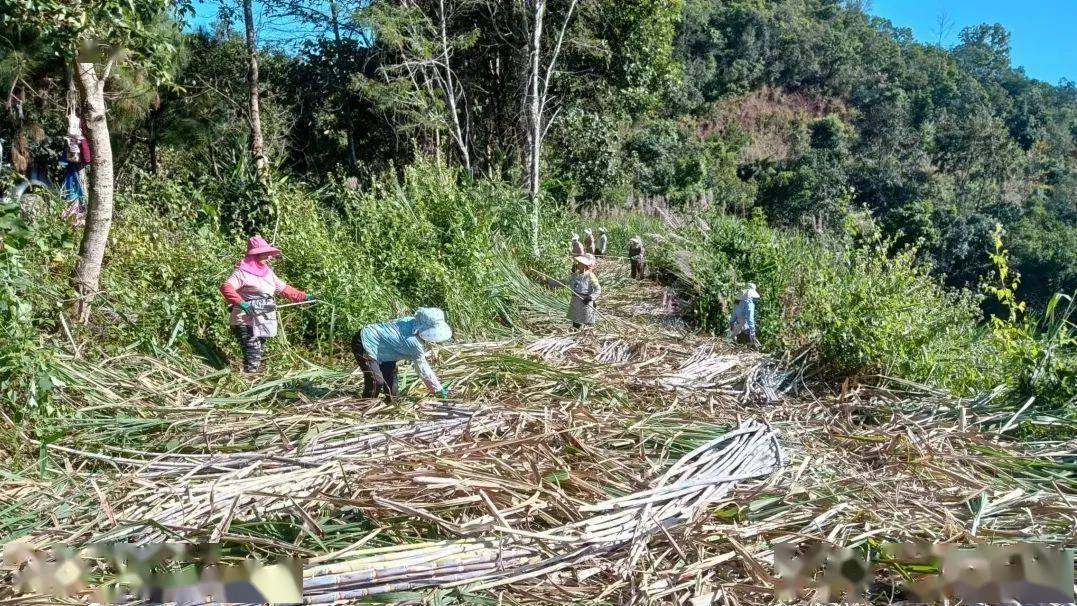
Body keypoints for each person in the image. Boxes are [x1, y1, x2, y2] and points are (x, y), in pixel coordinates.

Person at [220, 236, 313, 373]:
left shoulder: (267, 272)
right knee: (253, 353)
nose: (269, 257)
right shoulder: (242, 272)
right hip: (246, 319)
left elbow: (283, 288)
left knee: (258, 351)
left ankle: (249, 378)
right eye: (266, 254)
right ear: (256, 255)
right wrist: (242, 303)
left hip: (264, 319)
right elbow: (226, 287)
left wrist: (304, 297)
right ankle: (249, 382)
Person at [351, 307, 452, 399]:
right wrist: (438, 390)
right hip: (365, 342)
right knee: (376, 381)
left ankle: (392, 404)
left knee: (391, 379)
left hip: (386, 349)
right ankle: (365, 409)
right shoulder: (413, 343)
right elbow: (423, 370)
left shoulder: (411, 321)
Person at [566, 253, 601, 329]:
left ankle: (588, 338)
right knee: (576, 323)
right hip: (575, 302)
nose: (578, 264)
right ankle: (575, 337)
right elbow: (564, 281)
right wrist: (548, 281)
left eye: (580, 263)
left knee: (587, 322)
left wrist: (590, 297)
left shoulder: (590, 276)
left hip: (585, 302)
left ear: (585, 265)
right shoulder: (576, 275)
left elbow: (598, 290)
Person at [729, 283, 761, 348]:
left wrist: (732, 324)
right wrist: (752, 332)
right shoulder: (749, 303)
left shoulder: (737, 301)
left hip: (736, 328)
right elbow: (750, 319)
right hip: (744, 329)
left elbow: (733, 315)